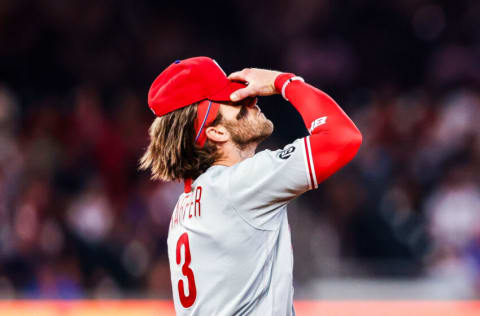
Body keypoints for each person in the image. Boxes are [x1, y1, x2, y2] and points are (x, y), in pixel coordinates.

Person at [140, 56, 362, 315]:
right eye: (237, 100)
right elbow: (343, 137)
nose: (253, 98)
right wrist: (283, 82)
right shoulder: (239, 186)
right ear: (216, 131)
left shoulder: (186, 204)